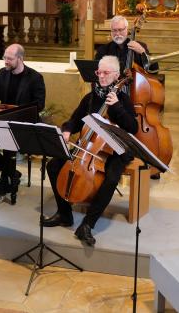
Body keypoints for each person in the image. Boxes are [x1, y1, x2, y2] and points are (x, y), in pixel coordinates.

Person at [43, 56, 138, 247]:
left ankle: (87, 224)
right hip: (87, 147)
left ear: (117, 76)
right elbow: (75, 119)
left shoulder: (123, 99)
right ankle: (64, 214)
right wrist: (68, 130)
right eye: (99, 73)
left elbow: (132, 127)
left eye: (106, 73)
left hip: (115, 150)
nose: (101, 77)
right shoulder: (91, 97)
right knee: (53, 165)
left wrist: (117, 107)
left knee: (111, 178)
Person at [0, 44, 45, 201]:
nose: (5, 61)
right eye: (4, 57)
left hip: (24, 124)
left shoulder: (34, 77)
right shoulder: (2, 73)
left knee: (8, 140)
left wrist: (17, 113)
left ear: (20, 59)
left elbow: (39, 105)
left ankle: (5, 181)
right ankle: (12, 173)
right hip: (4, 121)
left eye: (9, 58)